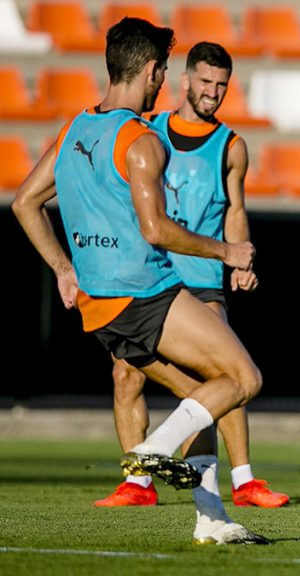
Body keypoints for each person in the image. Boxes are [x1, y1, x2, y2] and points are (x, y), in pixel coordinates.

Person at [12, 18, 267, 544]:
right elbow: (156, 229)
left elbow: (24, 203)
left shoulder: (75, 127)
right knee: (243, 379)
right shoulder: (143, 141)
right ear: (151, 71)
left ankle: (212, 518)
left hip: (99, 306)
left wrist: (63, 268)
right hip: (146, 293)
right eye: (164, 71)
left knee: (203, 395)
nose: (162, 80)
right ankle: (153, 450)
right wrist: (228, 250)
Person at [93, 42, 288, 509]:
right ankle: (137, 483)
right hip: (150, 273)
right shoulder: (145, 130)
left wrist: (240, 261)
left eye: (222, 85)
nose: (213, 92)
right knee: (125, 374)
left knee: (224, 369)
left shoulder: (231, 146)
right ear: (183, 81)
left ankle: (243, 481)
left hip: (201, 275)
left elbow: (235, 210)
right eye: (205, 82)